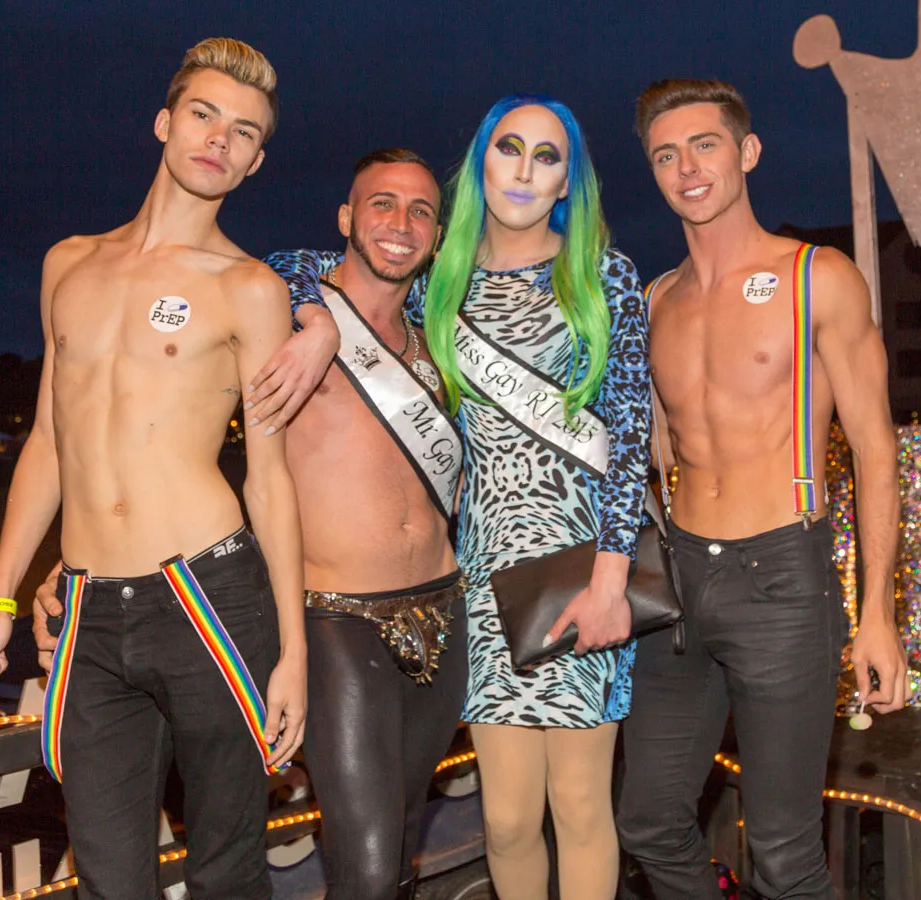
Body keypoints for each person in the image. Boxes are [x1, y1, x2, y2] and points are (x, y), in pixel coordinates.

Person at [35, 148, 468, 900]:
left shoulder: (441, 329)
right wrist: (77, 559)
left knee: (399, 843)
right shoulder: (289, 306)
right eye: (381, 203)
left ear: (437, 236)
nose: (401, 222)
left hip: (442, 610)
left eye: (421, 211)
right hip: (335, 615)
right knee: (366, 866)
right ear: (345, 217)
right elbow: (153, 420)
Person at [269, 95, 651, 900]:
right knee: (505, 820)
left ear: (567, 183)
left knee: (580, 805)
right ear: (481, 165)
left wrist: (613, 577)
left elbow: (629, 431)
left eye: (547, 156)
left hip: (580, 568)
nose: (525, 169)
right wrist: (317, 320)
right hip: (477, 581)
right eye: (508, 148)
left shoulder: (603, 276)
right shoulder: (440, 282)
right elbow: (290, 263)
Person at [0, 38, 307, 900]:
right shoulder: (67, 264)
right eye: (204, 114)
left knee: (227, 868)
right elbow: (48, 440)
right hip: (87, 607)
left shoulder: (250, 288)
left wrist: (293, 650)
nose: (219, 139)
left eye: (244, 132)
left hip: (208, 597)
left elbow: (269, 478)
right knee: (110, 875)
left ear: (256, 162)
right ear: (163, 122)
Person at [617, 79, 909, 900]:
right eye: (665, 155)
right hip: (680, 587)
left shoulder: (817, 276)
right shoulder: (655, 300)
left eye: (704, 145)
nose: (686, 168)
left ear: (746, 152)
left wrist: (877, 615)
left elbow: (877, 451)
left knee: (783, 853)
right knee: (648, 821)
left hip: (780, 577)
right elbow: (649, 456)